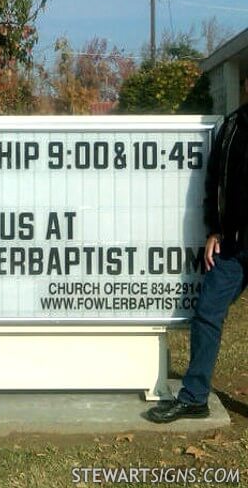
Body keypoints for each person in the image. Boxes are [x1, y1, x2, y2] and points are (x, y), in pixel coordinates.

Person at [147, 102, 248, 423]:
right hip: (232, 244)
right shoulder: (232, 126)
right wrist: (214, 229)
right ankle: (194, 398)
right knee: (206, 313)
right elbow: (213, 182)